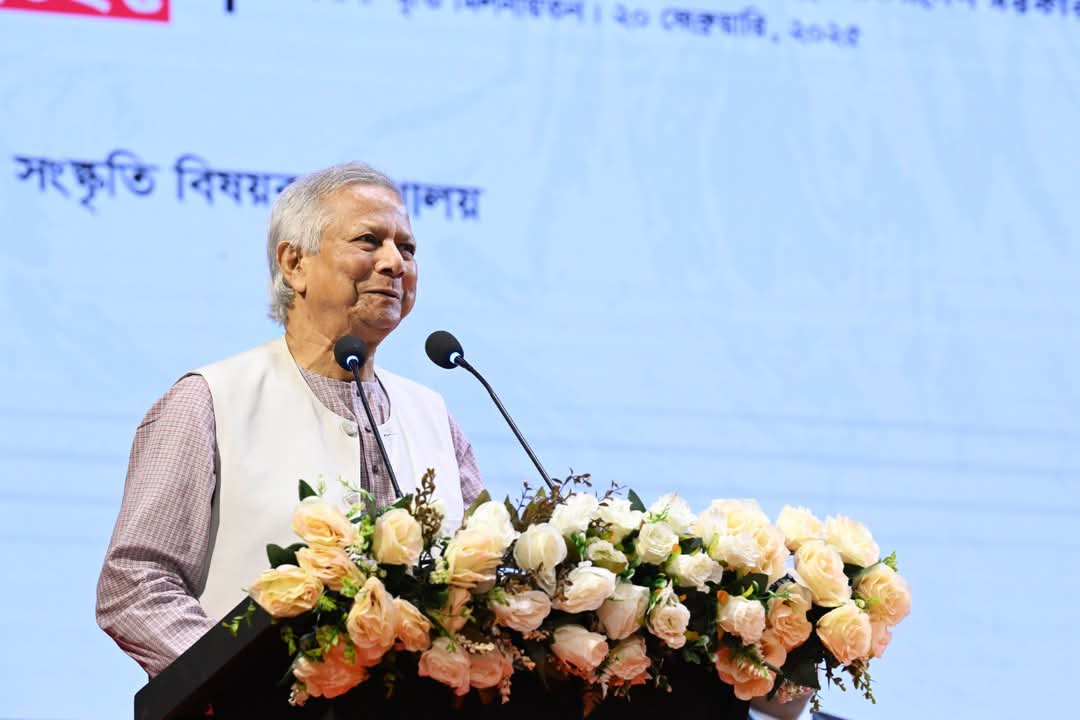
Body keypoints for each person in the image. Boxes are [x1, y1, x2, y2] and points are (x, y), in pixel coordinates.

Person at [96, 161, 484, 677]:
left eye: (407, 249)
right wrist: (246, 683)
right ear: (294, 263)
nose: (395, 263)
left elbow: (486, 581)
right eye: (369, 241)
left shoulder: (433, 415)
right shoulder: (209, 401)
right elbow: (136, 582)